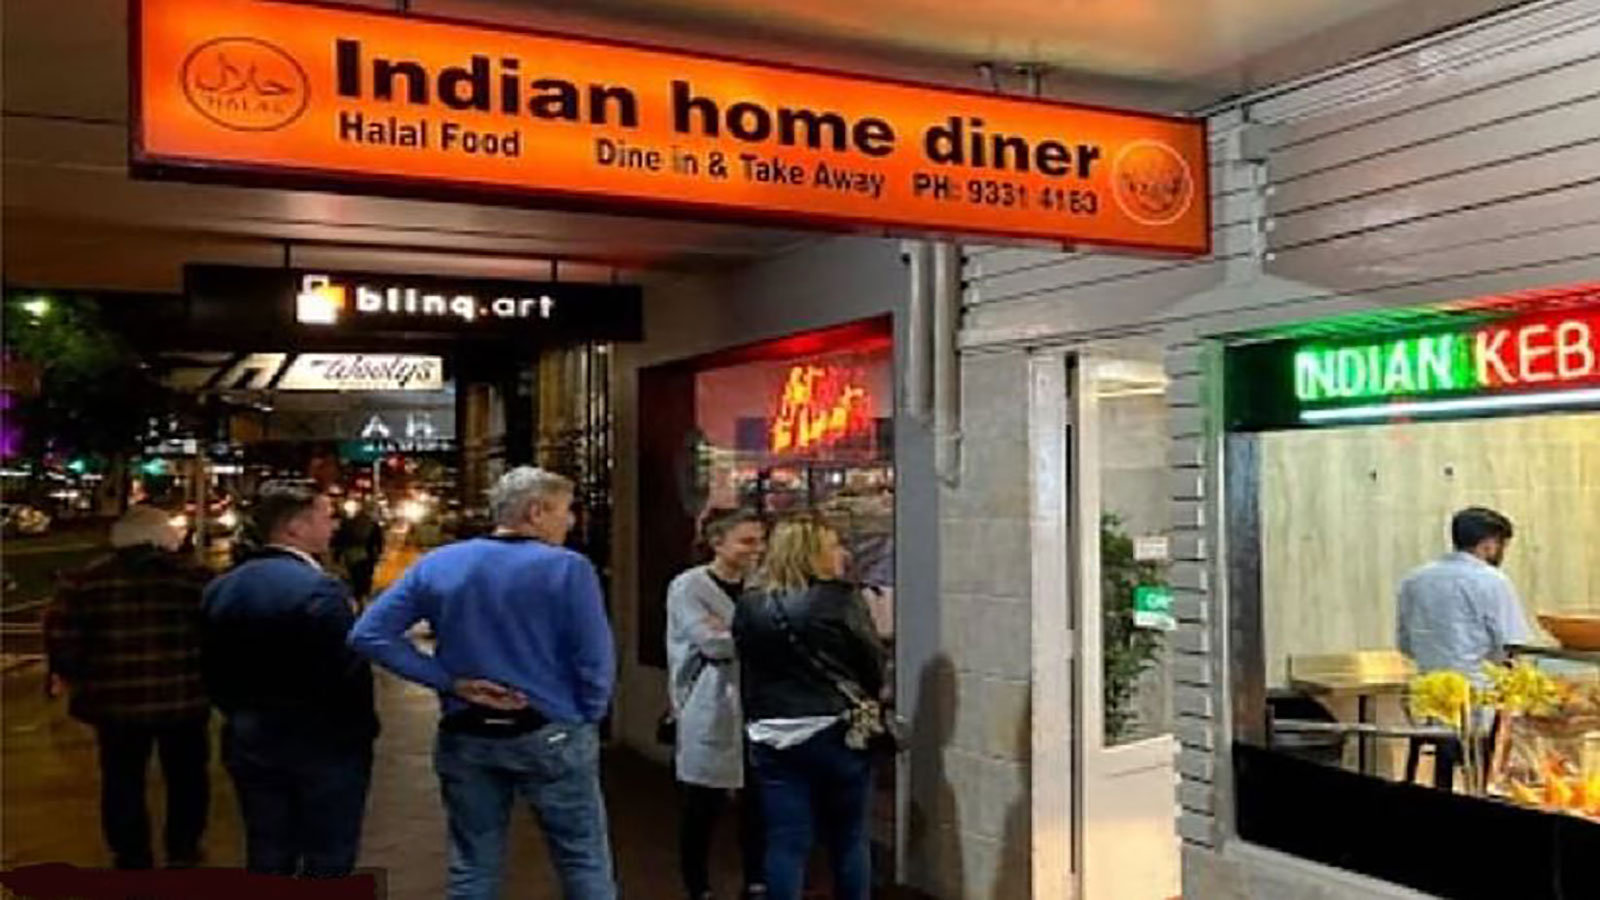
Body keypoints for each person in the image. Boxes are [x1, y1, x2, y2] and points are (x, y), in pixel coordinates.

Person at [349, 467, 617, 900]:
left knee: (473, 864)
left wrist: (448, 682)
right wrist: (589, 712)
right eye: (565, 510)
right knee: (582, 858)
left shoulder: (441, 563)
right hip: (551, 727)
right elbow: (594, 655)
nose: (570, 521)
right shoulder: (568, 569)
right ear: (536, 512)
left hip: (466, 730)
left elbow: (369, 634)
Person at [202, 482, 378, 877]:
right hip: (324, 743)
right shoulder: (320, 590)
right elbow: (344, 670)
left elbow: (211, 667)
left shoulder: (221, 587)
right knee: (329, 854)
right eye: (326, 516)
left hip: (250, 736)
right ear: (295, 527)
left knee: (267, 847)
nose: (334, 525)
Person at [44, 506, 212, 870]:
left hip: (114, 700)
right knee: (187, 776)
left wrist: (79, 677)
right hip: (184, 697)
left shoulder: (86, 581)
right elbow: (218, 634)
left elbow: (62, 640)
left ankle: (131, 852)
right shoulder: (193, 579)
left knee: (122, 778)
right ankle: (183, 847)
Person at [733, 517, 886, 900]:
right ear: (813, 553)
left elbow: (746, 663)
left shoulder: (751, 604)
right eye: (833, 546)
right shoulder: (840, 599)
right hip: (835, 729)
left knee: (785, 841)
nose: (842, 553)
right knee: (849, 837)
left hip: (771, 732)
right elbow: (871, 662)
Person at [667, 508, 768, 900]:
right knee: (702, 805)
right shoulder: (688, 587)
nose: (756, 550)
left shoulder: (761, 584)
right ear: (717, 543)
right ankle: (698, 886)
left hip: (757, 705)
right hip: (709, 704)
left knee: (757, 804)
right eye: (746, 541)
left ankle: (755, 881)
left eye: (760, 541)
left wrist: (739, 634)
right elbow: (712, 643)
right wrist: (757, 634)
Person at [1397, 506, 1533, 676]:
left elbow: (1405, 645)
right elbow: (1513, 645)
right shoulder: (1493, 580)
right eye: (1503, 546)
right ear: (1489, 543)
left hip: (1428, 686)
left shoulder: (1413, 580)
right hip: (1481, 686)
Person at [333, 499, 385, 606]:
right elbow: (378, 542)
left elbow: (340, 539)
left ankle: (355, 599)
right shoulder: (373, 525)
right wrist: (378, 555)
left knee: (353, 578)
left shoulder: (349, 523)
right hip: (366, 557)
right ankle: (362, 600)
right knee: (365, 579)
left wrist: (337, 555)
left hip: (350, 555)